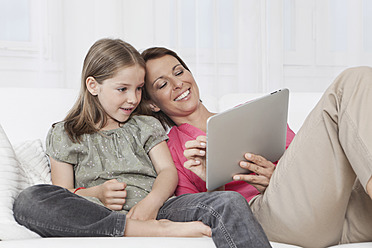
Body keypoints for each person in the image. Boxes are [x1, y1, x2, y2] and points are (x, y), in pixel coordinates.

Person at [12, 38, 271, 248]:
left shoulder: (144, 125)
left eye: (138, 89)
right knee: (29, 200)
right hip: (100, 214)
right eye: (122, 89)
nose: (133, 99)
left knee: (228, 201)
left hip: (163, 208)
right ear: (93, 85)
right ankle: (142, 231)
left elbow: (167, 171)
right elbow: (64, 193)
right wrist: (98, 193)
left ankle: (152, 224)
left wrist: (152, 203)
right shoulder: (66, 133)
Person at [140, 47, 372, 247]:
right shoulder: (172, 152)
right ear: (152, 104)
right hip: (272, 217)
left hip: (338, 211)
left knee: (362, 82)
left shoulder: (253, 113)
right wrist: (214, 179)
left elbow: (305, 163)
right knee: (352, 80)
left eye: (179, 72)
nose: (178, 84)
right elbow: (202, 215)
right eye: (163, 84)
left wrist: (277, 176)